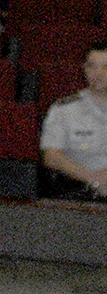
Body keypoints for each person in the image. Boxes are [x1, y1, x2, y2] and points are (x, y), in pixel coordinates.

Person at [41, 43, 107, 198]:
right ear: (84, 69)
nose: (98, 73)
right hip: (79, 194)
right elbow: (51, 157)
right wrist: (93, 179)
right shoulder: (64, 109)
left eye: (105, 67)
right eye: (92, 66)